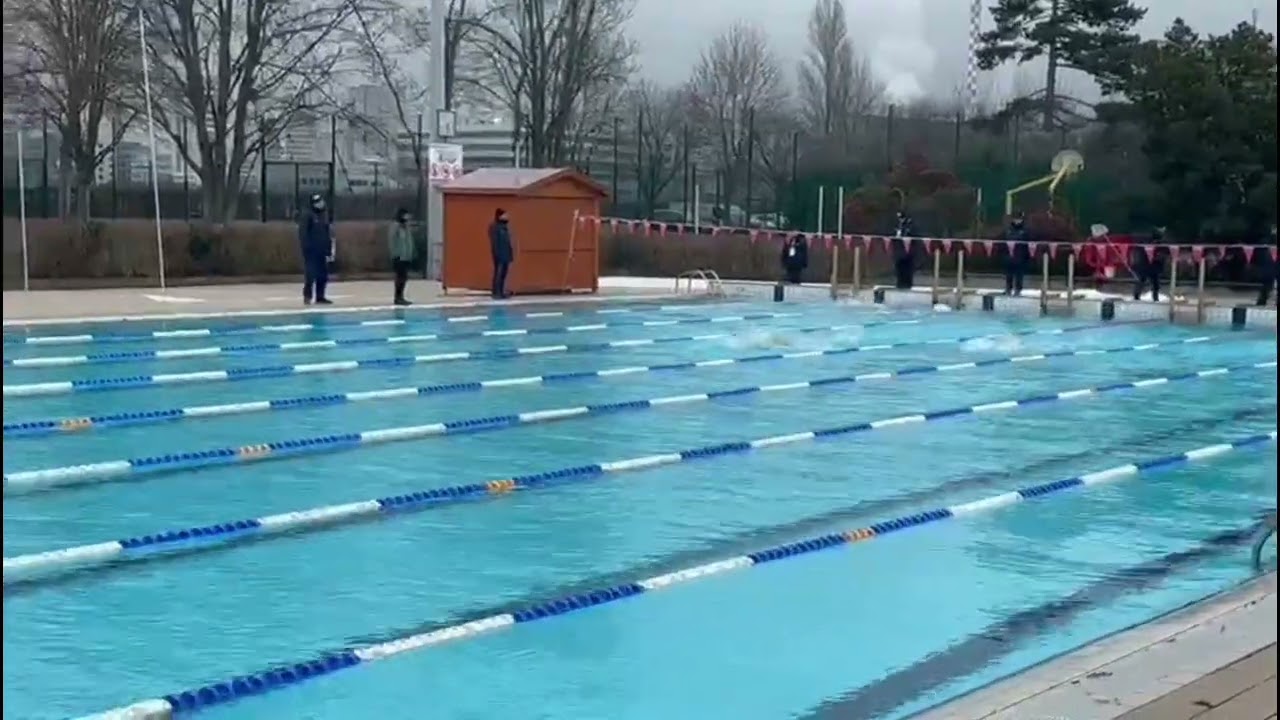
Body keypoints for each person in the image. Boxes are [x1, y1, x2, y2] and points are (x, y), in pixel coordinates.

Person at [298, 193, 334, 305]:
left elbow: (327, 234)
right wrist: (306, 248)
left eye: (321, 201)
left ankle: (320, 296)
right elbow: (303, 233)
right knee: (310, 274)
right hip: (311, 251)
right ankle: (307, 296)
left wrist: (328, 249)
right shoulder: (307, 215)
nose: (321, 204)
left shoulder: (323, 216)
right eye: (318, 202)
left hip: (322, 251)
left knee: (323, 275)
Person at [1133, 226, 1167, 301]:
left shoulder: (1161, 244)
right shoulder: (1147, 242)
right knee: (1142, 281)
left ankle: (1155, 298)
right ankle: (1136, 297)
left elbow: (1163, 254)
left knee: (1155, 284)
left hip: (1153, 266)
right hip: (1145, 265)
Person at [389, 208, 415, 306]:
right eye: (406, 215)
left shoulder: (406, 227)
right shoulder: (396, 227)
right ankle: (398, 297)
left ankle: (401, 296)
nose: (408, 217)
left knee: (404, 278)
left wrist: (411, 254)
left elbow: (409, 242)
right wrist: (395, 255)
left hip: (406, 257)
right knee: (400, 277)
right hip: (399, 257)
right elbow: (392, 241)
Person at [1002, 213, 1031, 296]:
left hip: (1020, 255)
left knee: (1019, 274)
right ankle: (1008, 288)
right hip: (1009, 256)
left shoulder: (1025, 230)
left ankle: (1018, 289)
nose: (1016, 221)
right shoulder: (1008, 229)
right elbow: (1003, 240)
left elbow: (1028, 243)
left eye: (1018, 219)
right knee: (1009, 274)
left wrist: (1027, 256)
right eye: (1015, 219)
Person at [489, 207, 514, 299]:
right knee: (498, 273)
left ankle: (501, 291)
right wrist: (497, 254)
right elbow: (495, 242)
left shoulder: (504, 227)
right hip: (499, 254)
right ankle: (496, 292)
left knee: (503, 273)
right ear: (500, 216)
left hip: (506, 254)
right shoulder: (495, 227)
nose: (507, 216)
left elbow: (507, 242)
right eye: (505, 215)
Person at [892, 211, 917, 290]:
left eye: (901, 218)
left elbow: (913, 235)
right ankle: (900, 283)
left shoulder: (910, 225)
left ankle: (907, 284)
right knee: (899, 268)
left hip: (908, 252)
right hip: (899, 251)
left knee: (907, 269)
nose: (900, 219)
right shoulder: (897, 225)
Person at [1258, 225, 1277, 307]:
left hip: (1272, 264)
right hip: (1270, 265)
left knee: (1267, 284)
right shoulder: (1268, 241)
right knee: (1266, 284)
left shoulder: (1268, 241)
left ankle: (1263, 300)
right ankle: (1262, 300)